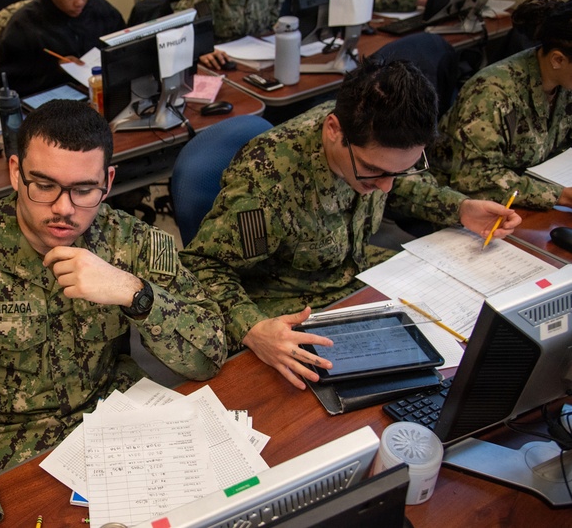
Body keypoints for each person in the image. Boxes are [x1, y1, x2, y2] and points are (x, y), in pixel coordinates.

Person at [0, 99, 226, 528]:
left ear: (108, 181)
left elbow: (208, 356)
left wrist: (133, 292)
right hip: (8, 453)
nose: (64, 208)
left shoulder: (131, 242)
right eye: (44, 185)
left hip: (115, 430)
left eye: (84, 190)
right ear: (15, 172)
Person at [180, 58, 521, 390]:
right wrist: (252, 328)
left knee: (462, 345)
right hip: (287, 302)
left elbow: (394, 179)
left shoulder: (374, 140)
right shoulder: (267, 184)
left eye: (400, 170)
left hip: (357, 276)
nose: (386, 187)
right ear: (333, 131)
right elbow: (203, 265)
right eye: (373, 171)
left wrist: (460, 208)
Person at [432, 0, 572, 209]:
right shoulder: (492, 93)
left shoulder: (564, 82)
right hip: (460, 205)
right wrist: (561, 196)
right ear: (557, 60)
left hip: (522, 194)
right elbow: (474, 179)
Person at [0, 0, 125, 97]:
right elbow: (8, 85)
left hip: (104, 96)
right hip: (53, 104)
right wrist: (55, 70)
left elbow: (125, 53)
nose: (80, 2)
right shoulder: (23, 26)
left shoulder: (102, 11)